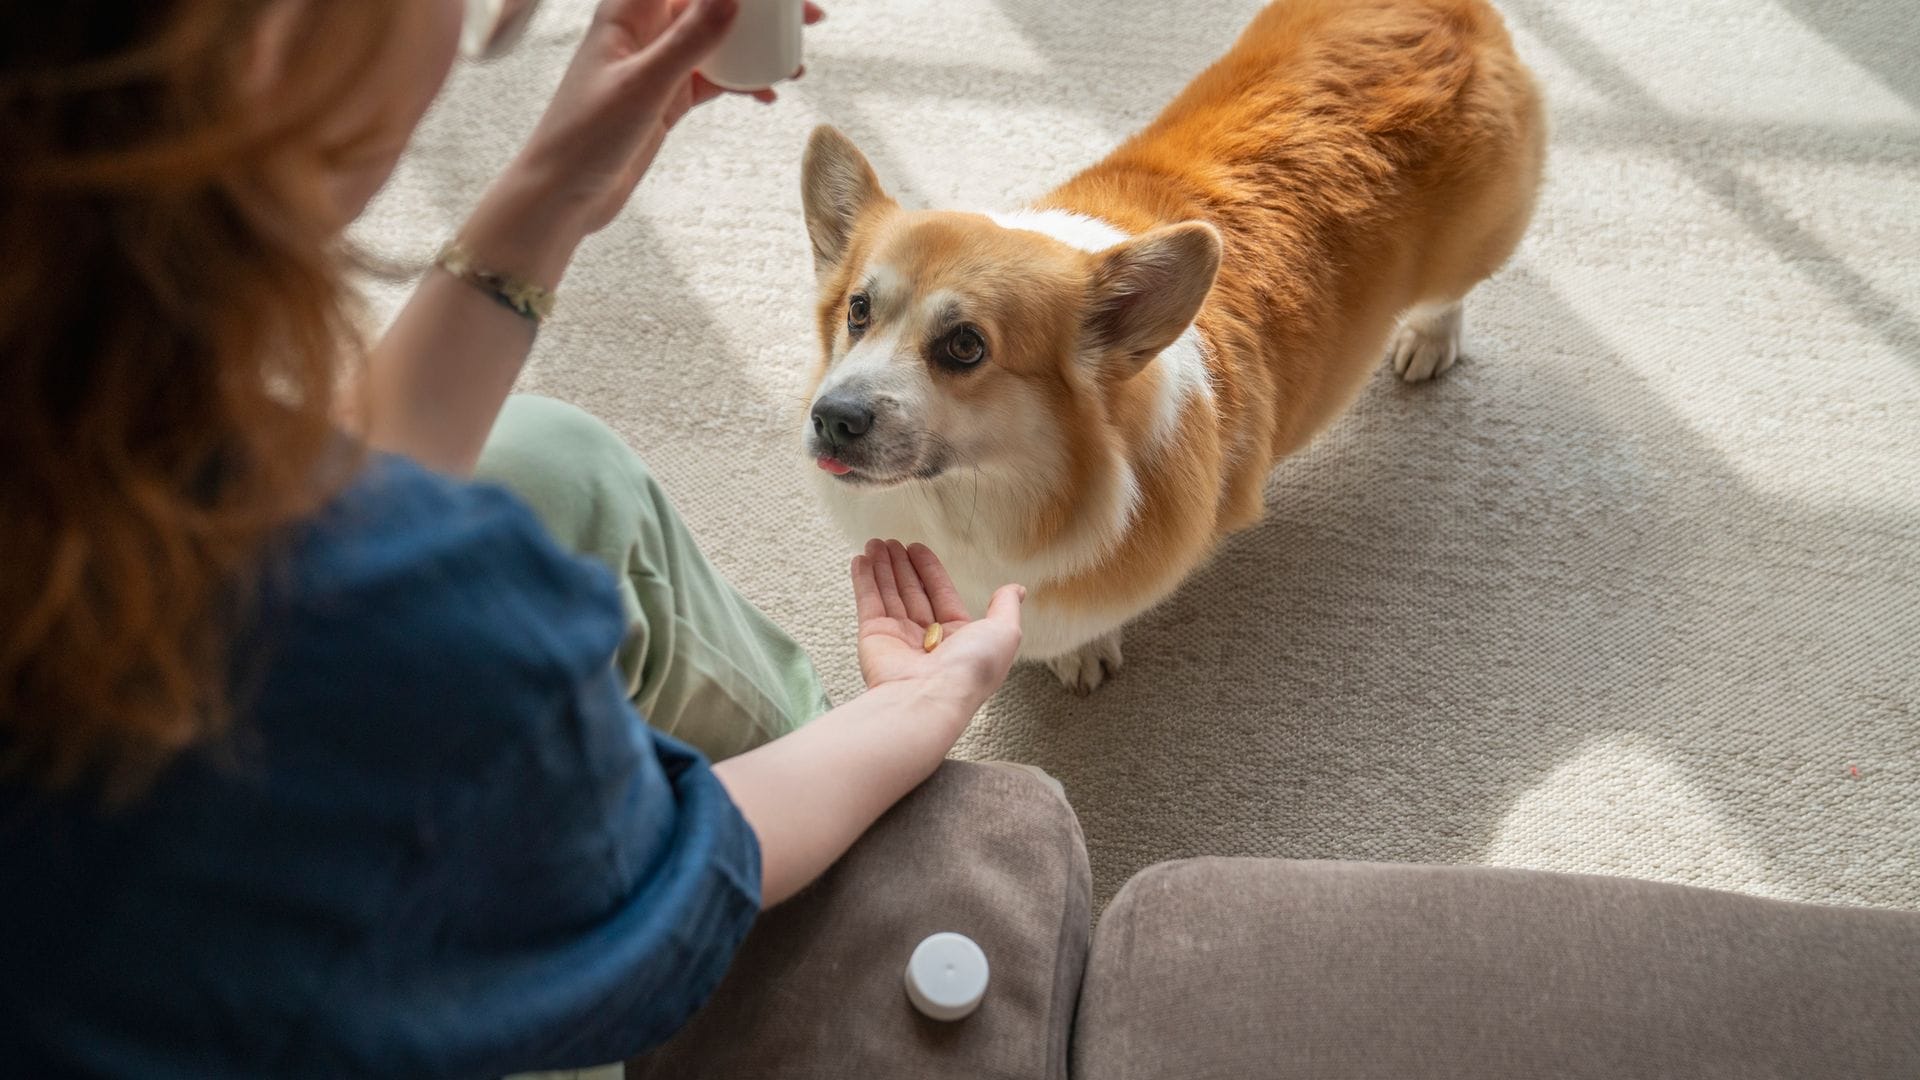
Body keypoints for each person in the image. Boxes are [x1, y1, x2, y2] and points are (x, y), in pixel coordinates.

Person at [0, 1, 1026, 1076]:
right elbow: (667, 882)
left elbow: (317, 511)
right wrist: (920, 703)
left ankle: (803, 732)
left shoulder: (91, 401)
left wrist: (544, 197)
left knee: (551, 462)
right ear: (276, 47)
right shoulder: (430, 629)